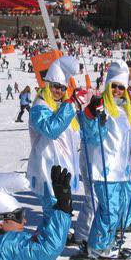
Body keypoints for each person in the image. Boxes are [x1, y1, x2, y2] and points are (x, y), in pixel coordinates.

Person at [79, 60, 131, 259]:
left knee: (116, 210)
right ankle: (98, 246)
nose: (117, 91)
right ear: (107, 85)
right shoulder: (101, 107)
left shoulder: (127, 112)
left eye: (121, 87)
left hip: (121, 171)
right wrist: (93, 118)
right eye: (114, 86)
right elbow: (90, 136)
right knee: (109, 211)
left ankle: (106, 241)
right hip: (104, 169)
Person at [26, 56, 81, 220]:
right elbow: (51, 129)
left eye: (63, 88)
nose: (59, 91)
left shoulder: (63, 107)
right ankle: (52, 240)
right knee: (54, 211)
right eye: (56, 87)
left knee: (63, 212)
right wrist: (71, 105)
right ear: (47, 84)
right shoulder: (39, 107)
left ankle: (60, 236)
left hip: (64, 168)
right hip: (48, 168)